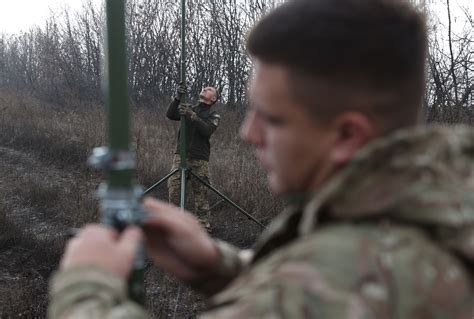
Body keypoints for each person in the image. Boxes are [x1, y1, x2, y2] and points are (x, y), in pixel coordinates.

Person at [48, 0, 474, 318]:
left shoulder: (343, 283)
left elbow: (322, 289)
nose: (249, 133)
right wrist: (220, 266)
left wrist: (87, 283)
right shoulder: (435, 211)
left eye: (271, 119)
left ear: (347, 135)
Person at [166, 85, 220, 231]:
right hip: (181, 155)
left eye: (209, 89)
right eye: (204, 88)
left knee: (201, 195)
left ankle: (203, 227)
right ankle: (173, 224)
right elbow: (170, 114)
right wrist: (177, 98)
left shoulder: (213, 115)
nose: (204, 88)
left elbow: (207, 130)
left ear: (213, 98)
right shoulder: (189, 108)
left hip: (200, 159)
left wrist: (192, 115)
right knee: (174, 190)